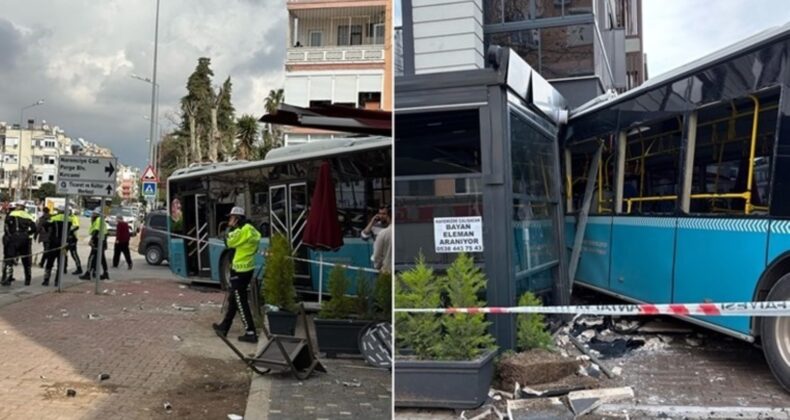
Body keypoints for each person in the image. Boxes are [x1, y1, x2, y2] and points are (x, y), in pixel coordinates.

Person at [212, 206, 261, 343]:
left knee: (241, 302)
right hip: (247, 268)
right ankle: (224, 327)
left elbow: (228, 242)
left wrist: (230, 229)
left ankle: (250, 332)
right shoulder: (251, 230)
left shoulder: (240, 231)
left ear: (237, 219)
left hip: (239, 270)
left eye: (232, 218)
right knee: (234, 299)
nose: (230, 220)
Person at [1, 202, 36, 286]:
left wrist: (9, 236)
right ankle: (28, 279)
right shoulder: (28, 215)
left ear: (18, 206)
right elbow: (34, 228)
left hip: (13, 238)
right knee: (26, 260)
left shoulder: (11, 214)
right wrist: (27, 233)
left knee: (9, 258)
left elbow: (6, 227)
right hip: (24, 239)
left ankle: (8, 279)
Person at [42, 206, 71, 287]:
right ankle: (57, 281)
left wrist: (49, 232)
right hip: (64, 243)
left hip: (54, 242)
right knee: (60, 263)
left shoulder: (54, 218)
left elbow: (45, 224)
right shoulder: (69, 219)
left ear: (59, 211)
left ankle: (46, 280)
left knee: (49, 262)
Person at [79, 208, 109, 281]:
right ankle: (103, 273)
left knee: (92, 257)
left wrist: (92, 240)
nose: (92, 215)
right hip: (102, 241)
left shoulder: (98, 220)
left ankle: (88, 273)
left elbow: (96, 230)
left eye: (94, 213)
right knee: (101, 258)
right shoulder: (101, 220)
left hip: (97, 241)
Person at [371, 206, 392, 273]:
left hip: (386, 270)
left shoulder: (383, 233)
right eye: (380, 213)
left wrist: (378, 266)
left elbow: (377, 256)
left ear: (388, 216)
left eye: (384, 214)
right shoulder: (399, 232)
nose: (381, 216)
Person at [65, 209, 82, 275]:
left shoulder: (74, 217)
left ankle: (79, 268)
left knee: (74, 254)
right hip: (66, 238)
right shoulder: (65, 217)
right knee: (64, 253)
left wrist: (70, 231)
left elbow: (77, 226)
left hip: (73, 238)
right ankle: (64, 267)